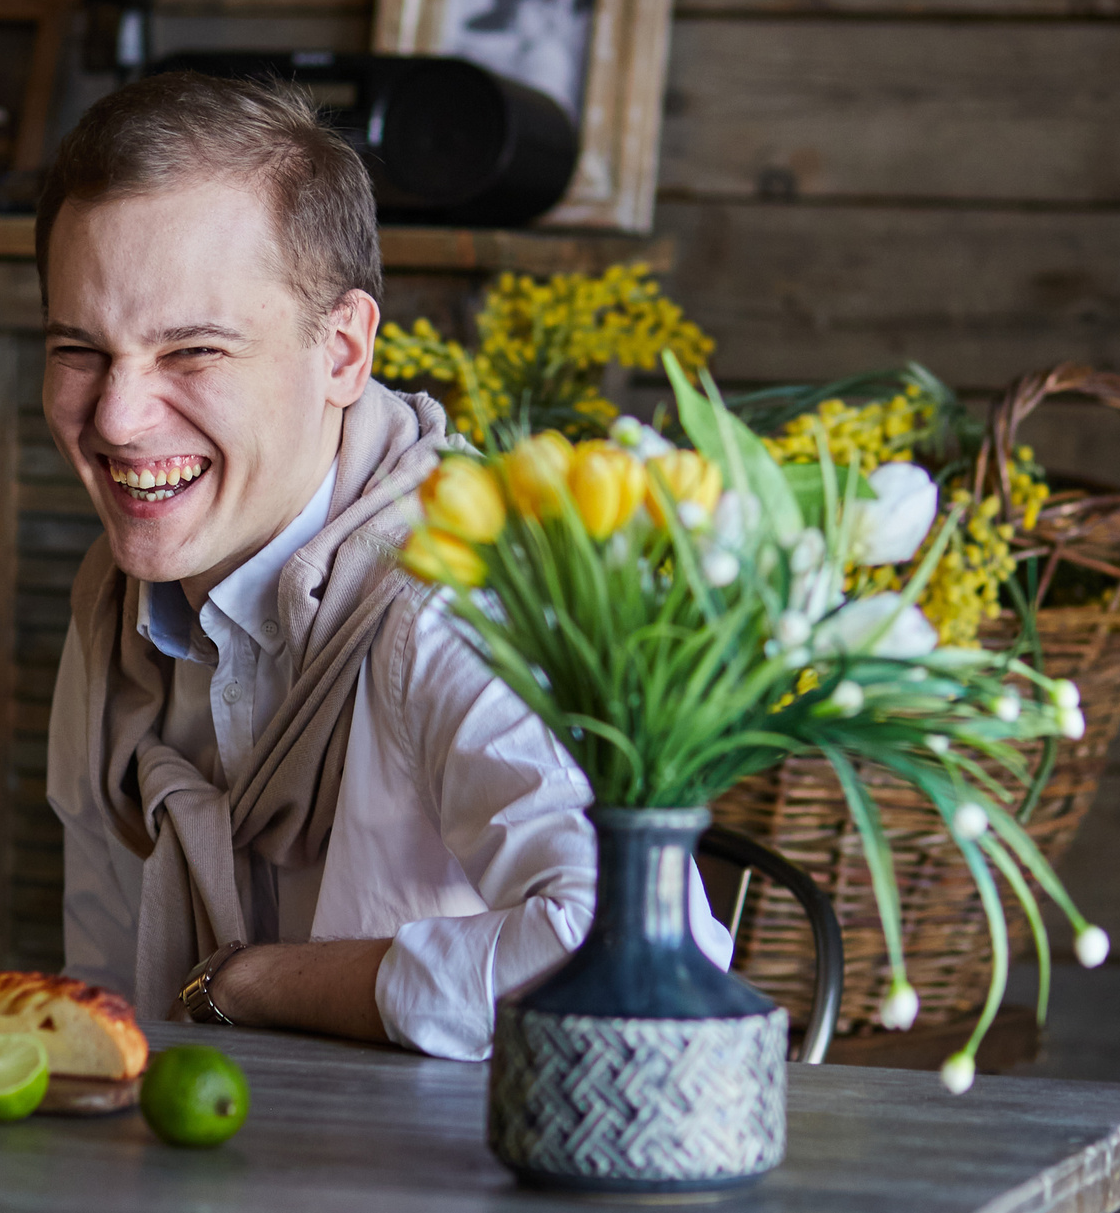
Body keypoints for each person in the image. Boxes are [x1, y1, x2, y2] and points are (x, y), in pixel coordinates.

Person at [37, 71, 732, 1055]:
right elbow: (103, 988)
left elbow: (645, 962)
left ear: (343, 353)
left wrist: (250, 983)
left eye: (190, 352)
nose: (114, 417)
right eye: (78, 348)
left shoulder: (459, 593)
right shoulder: (115, 603)